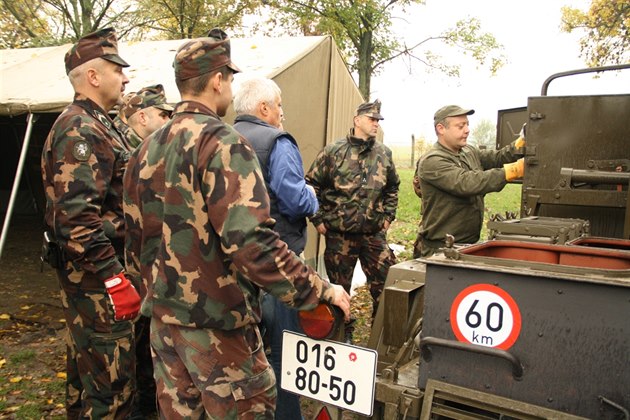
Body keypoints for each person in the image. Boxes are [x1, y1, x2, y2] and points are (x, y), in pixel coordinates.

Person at [122, 29, 351, 418]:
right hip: (218, 329)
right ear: (217, 80)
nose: (230, 88)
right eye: (229, 78)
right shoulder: (221, 142)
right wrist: (320, 290)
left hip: (165, 325)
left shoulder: (144, 149)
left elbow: (134, 240)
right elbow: (252, 243)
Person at [40, 28, 141, 419]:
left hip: (97, 281)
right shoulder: (80, 129)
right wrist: (114, 279)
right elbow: (77, 221)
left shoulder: (100, 122)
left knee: (90, 385)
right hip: (98, 284)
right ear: (94, 76)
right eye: (118, 69)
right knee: (111, 393)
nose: (126, 77)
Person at [233, 76, 318, 420]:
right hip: (277, 260)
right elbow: (295, 198)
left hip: (234, 264)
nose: (283, 113)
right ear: (264, 107)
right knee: (285, 351)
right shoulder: (276, 141)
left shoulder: (221, 139)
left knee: (245, 350)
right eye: (279, 105)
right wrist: (312, 195)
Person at [306, 99, 400, 342]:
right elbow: (310, 185)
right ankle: (340, 336)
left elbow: (393, 187)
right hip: (340, 236)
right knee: (338, 291)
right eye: (372, 119)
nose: (376, 124)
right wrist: (318, 219)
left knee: (388, 285)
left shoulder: (383, 153)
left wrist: (388, 216)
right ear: (357, 120)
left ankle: (383, 338)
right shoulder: (334, 151)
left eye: (378, 120)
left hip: (373, 235)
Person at [114, 84, 173, 418]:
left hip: (141, 263)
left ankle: (146, 401)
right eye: (163, 113)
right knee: (135, 346)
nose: (168, 119)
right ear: (142, 115)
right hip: (128, 265)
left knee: (144, 344)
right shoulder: (131, 151)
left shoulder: (147, 148)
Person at [413, 105, 525, 258]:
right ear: (441, 129)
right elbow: (467, 183)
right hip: (440, 249)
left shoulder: (468, 151)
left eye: (467, 125)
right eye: (460, 126)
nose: (467, 130)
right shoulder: (432, 161)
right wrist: (513, 171)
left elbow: (497, 157)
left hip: (467, 245)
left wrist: (520, 143)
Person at [114, 84, 174, 149]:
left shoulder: (147, 148)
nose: (169, 121)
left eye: (169, 116)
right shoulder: (119, 149)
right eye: (163, 115)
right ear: (142, 118)